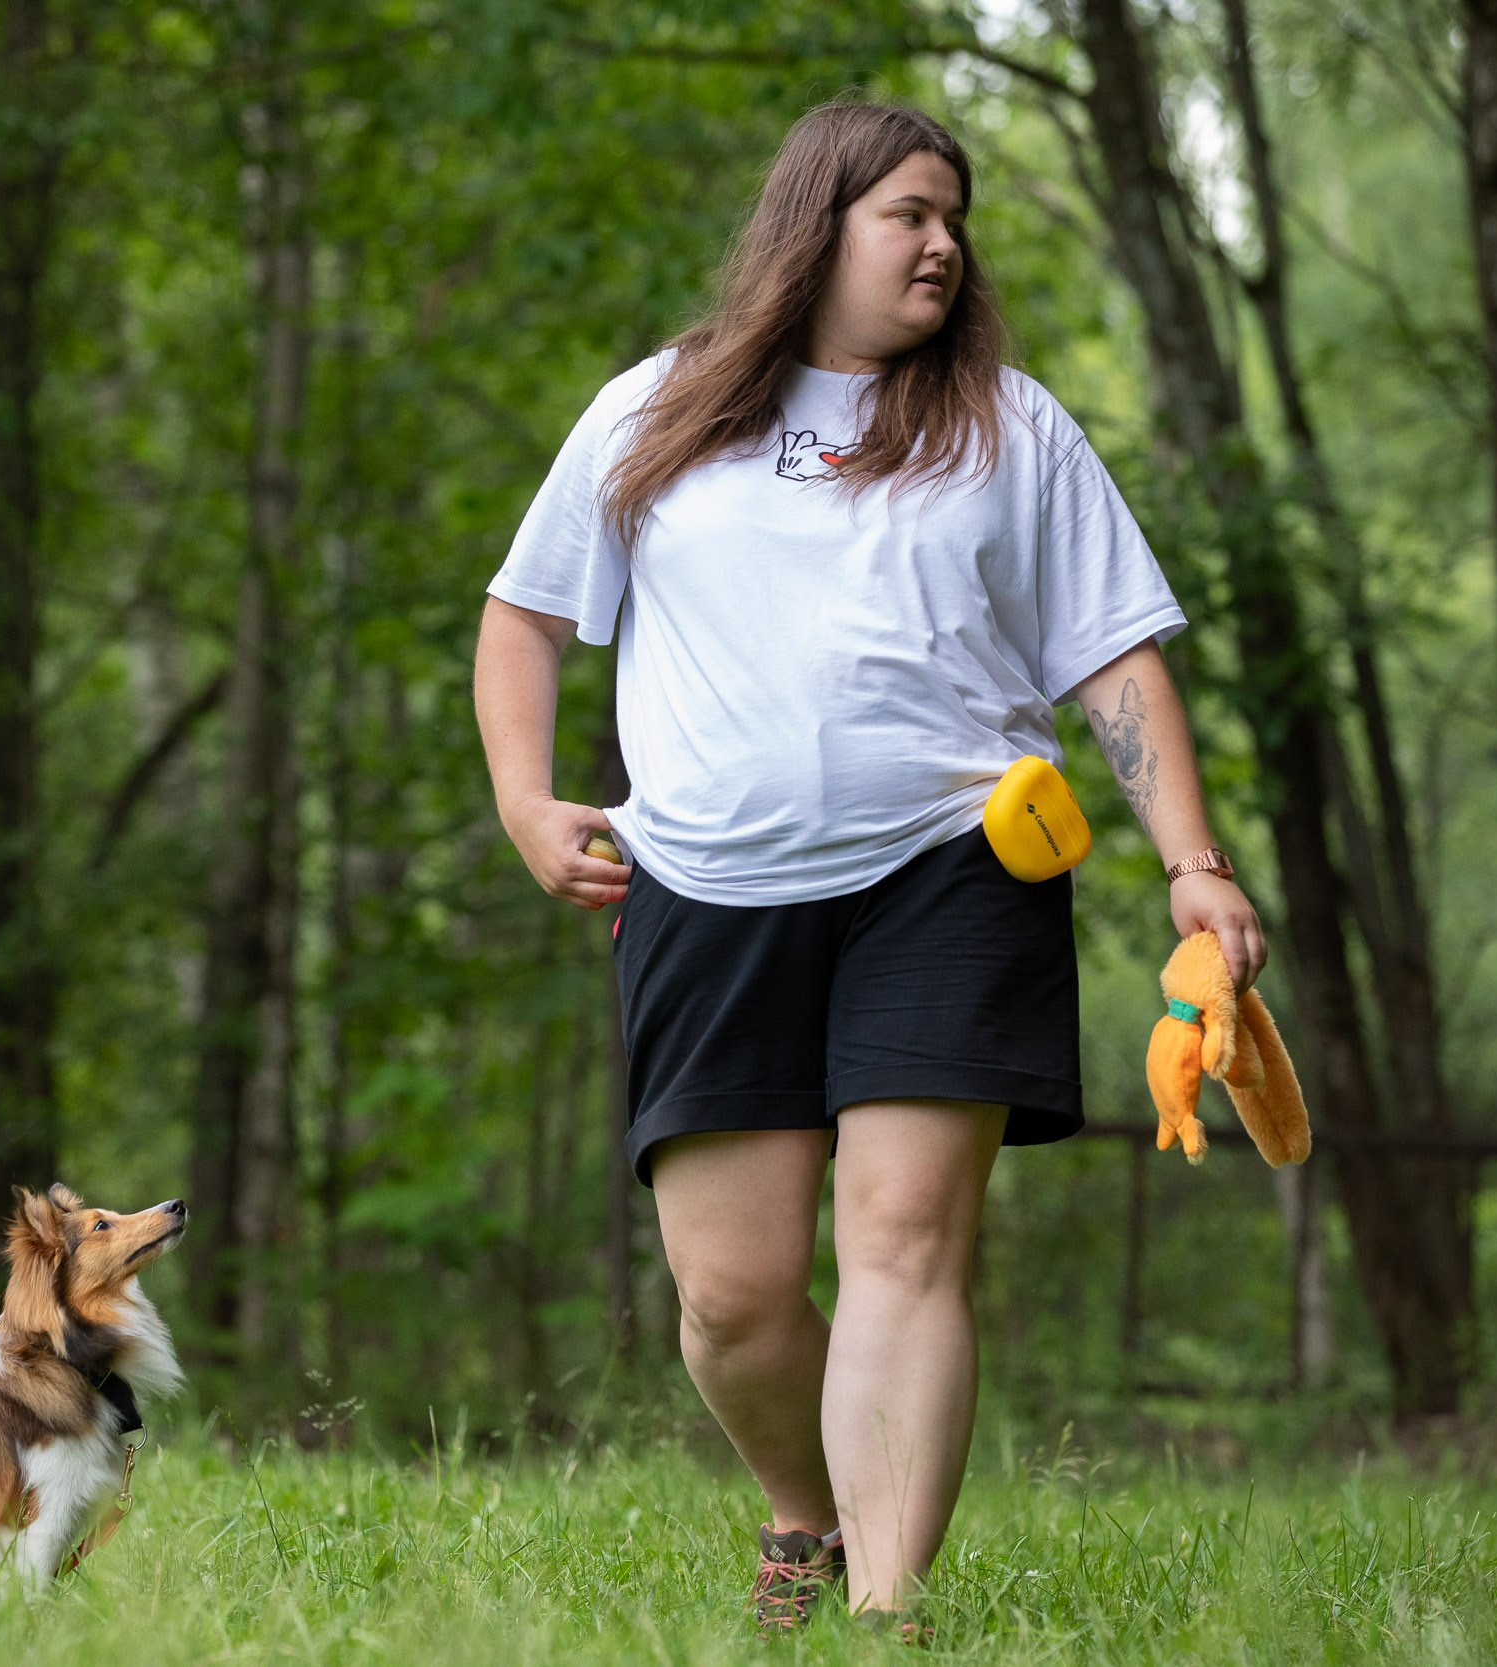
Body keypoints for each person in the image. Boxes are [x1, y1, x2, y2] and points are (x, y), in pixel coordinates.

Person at [471, 100, 1266, 1634]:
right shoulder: (656, 409)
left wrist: (1193, 861)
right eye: (909, 212)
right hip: (701, 883)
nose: (945, 243)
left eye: (954, 217)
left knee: (904, 1239)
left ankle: (891, 1622)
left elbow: (1113, 655)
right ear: (815, 222)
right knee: (735, 1298)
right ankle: (806, 1513)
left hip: (953, 870)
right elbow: (526, 616)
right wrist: (525, 799)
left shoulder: (1009, 426)